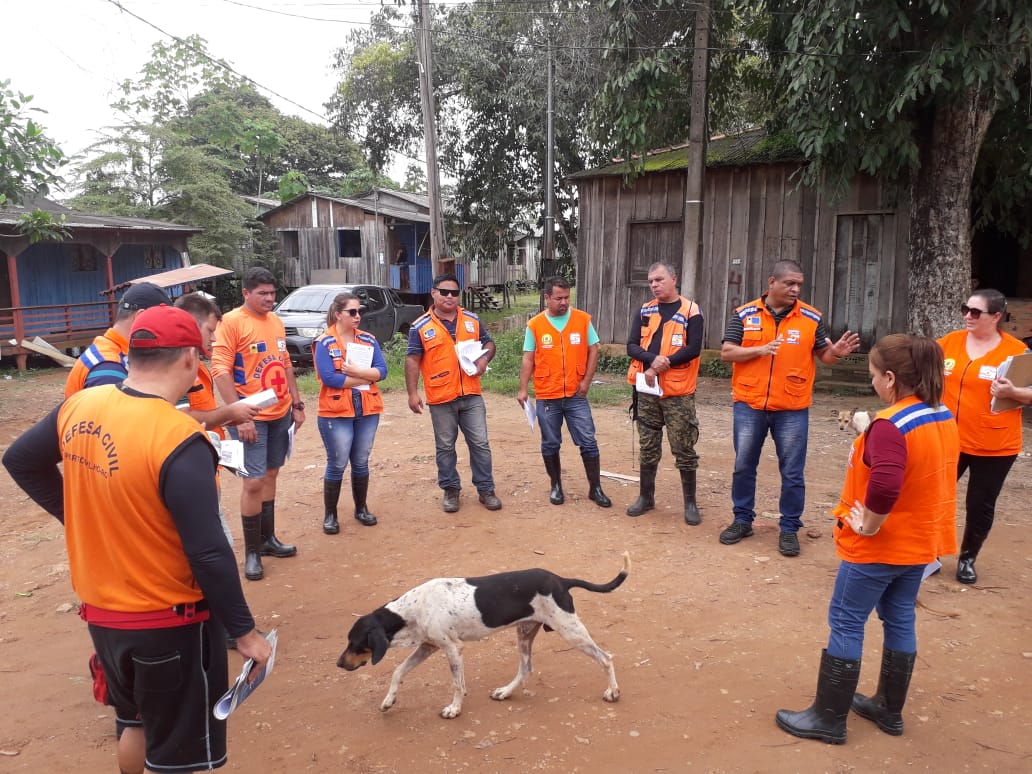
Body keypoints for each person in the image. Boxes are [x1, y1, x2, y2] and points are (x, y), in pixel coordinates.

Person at [3, 305, 272, 774]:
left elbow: (20, 460)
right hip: (169, 621)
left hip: (103, 615)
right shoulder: (178, 436)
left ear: (132, 355)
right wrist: (245, 633)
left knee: (134, 723)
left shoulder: (81, 405)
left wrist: (80, 515)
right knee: (179, 758)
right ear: (189, 358)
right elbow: (208, 551)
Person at [775, 334, 958, 745]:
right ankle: (889, 710)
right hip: (920, 543)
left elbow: (887, 484)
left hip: (880, 547)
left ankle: (828, 718)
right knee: (900, 617)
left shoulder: (890, 425)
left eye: (874, 375)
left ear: (890, 378)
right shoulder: (941, 413)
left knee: (846, 620)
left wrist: (869, 525)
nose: (872, 382)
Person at [718, 259, 860, 556]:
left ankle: (789, 528)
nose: (795, 289)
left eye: (799, 285)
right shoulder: (744, 314)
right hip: (750, 404)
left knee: (793, 472)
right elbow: (727, 352)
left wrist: (836, 353)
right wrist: (759, 349)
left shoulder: (811, 318)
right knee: (744, 466)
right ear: (772, 282)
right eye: (789, 283)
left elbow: (825, 356)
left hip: (792, 407)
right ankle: (742, 520)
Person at [212, 266, 305, 581]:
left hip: (280, 413)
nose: (269, 298)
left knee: (271, 474)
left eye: (272, 293)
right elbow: (220, 370)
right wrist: (237, 414)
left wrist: (297, 404)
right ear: (246, 293)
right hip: (249, 418)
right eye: (262, 293)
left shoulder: (276, 321)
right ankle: (251, 552)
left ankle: (268, 540)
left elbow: (286, 364)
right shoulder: (231, 323)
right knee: (252, 481)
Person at [937, 289, 1027, 584]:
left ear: (996, 316)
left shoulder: (1016, 351)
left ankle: (967, 557)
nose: (967, 316)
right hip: (948, 438)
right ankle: (930, 553)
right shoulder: (949, 343)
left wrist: (1013, 392)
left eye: (975, 312)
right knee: (935, 496)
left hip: (995, 443)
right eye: (965, 309)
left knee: (980, 504)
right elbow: (922, 370)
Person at [406, 273, 502, 513]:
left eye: (454, 293)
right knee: (445, 447)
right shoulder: (420, 326)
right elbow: (412, 360)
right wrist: (412, 393)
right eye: (444, 292)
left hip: (471, 394)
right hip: (441, 398)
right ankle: (450, 490)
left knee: (480, 444)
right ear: (433, 293)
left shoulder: (471, 319)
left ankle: (486, 490)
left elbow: (489, 344)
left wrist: (484, 359)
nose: (449, 296)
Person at [174, 292, 260, 549]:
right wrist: (230, 413)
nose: (214, 338)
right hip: (187, 471)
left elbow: (201, 412)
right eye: (210, 330)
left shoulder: (196, 365)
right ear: (191, 325)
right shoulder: (176, 367)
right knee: (218, 547)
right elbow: (180, 418)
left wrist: (225, 419)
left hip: (204, 464)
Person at [517, 276, 611, 508]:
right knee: (550, 443)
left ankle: (595, 488)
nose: (564, 302)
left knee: (588, 441)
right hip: (548, 394)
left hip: (576, 395)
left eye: (567, 297)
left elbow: (593, 349)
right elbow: (528, 358)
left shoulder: (582, 320)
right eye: (559, 298)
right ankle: (556, 486)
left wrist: (586, 381)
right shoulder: (535, 325)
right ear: (547, 297)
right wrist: (523, 389)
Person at [624, 261, 705, 523]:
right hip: (647, 390)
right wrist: (652, 359)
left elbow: (693, 349)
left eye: (659, 280)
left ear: (674, 279)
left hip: (678, 393)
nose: (654, 285)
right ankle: (646, 497)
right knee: (648, 444)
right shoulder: (645, 310)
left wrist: (663, 363)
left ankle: (690, 503)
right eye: (651, 281)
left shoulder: (691, 311)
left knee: (683, 446)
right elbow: (631, 346)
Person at [314, 292, 388, 534]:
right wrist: (365, 377)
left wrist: (357, 373)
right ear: (338, 315)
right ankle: (330, 515)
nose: (358, 316)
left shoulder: (368, 339)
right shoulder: (324, 343)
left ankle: (361, 509)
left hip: (367, 408)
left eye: (360, 311)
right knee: (337, 463)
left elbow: (382, 371)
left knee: (361, 460)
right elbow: (330, 378)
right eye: (352, 312)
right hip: (336, 412)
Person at [64, 281, 171, 396]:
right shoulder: (109, 370)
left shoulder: (110, 353)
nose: (167, 330)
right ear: (140, 317)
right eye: (164, 322)